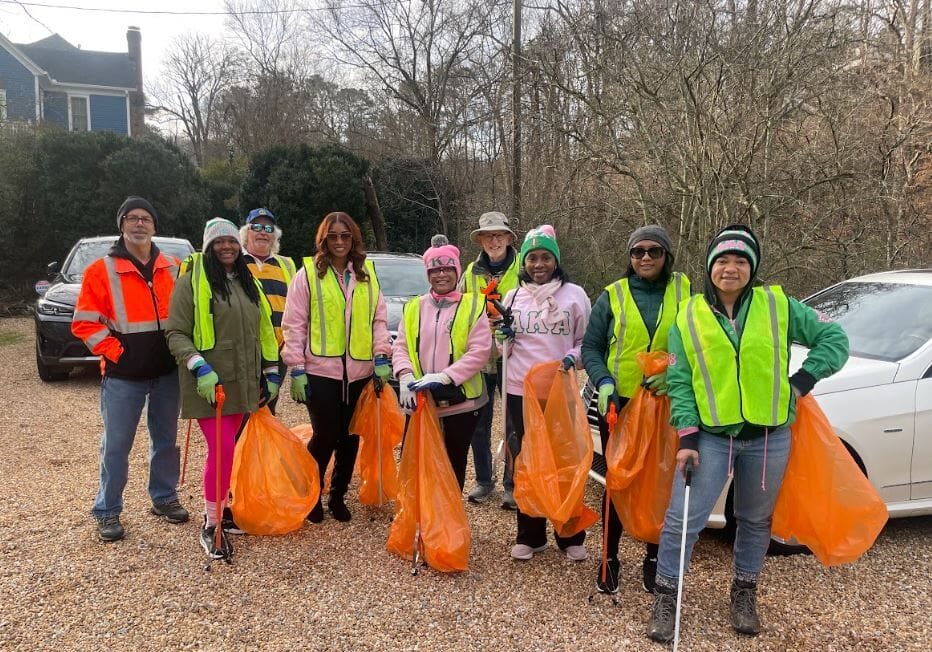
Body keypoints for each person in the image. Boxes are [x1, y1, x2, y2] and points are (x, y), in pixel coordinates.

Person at [646, 225, 848, 642]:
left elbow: (834, 338)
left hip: (769, 437)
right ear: (709, 266)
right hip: (713, 437)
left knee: (755, 520)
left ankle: (744, 590)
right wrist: (686, 438)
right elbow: (681, 381)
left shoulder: (779, 306)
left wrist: (802, 381)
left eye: (741, 260)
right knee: (684, 519)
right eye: (722, 260)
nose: (731, 268)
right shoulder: (689, 316)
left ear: (752, 267)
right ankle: (667, 595)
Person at [581, 225, 691, 594]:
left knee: (660, 482)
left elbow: (701, 344)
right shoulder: (612, 294)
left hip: (666, 403)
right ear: (629, 257)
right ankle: (609, 559)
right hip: (618, 404)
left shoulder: (687, 293)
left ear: (667, 256)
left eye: (654, 252)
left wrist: (675, 373)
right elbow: (591, 347)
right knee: (617, 481)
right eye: (638, 252)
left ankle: (654, 558)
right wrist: (604, 382)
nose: (645, 258)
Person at [72, 196, 189, 542]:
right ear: (121, 224)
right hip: (124, 377)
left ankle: (164, 498)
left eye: (146, 219)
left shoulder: (172, 267)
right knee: (116, 446)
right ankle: (107, 511)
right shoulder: (101, 270)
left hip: (167, 374)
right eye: (132, 218)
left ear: (154, 226)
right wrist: (117, 353)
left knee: (166, 441)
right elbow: (85, 324)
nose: (140, 224)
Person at [165, 218, 279, 560]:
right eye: (219, 242)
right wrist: (197, 365)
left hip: (243, 382)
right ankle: (211, 522)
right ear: (208, 246)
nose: (226, 247)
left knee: (229, 449)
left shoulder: (246, 282)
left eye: (231, 241)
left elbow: (264, 330)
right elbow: (175, 333)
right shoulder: (190, 283)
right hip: (211, 384)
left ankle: (223, 509)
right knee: (223, 449)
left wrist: (271, 372)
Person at [281, 211, 391, 523]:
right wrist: (297, 369)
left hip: (359, 372)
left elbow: (378, 320)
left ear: (354, 239)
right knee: (325, 435)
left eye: (346, 236)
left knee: (350, 436)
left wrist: (381, 357)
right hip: (320, 372)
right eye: (333, 236)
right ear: (324, 240)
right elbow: (294, 324)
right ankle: (311, 495)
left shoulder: (367, 274)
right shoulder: (307, 274)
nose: (340, 242)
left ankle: (338, 496)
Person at [496, 225, 593, 561]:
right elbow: (502, 348)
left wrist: (573, 357)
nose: (539, 264)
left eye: (545, 257)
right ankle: (530, 533)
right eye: (532, 258)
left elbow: (586, 343)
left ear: (556, 260)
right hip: (520, 390)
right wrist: (503, 337)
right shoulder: (512, 296)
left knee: (564, 459)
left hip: (559, 390)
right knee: (526, 461)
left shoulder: (575, 295)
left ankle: (569, 534)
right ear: (524, 261)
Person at [393, 235, 493, 490]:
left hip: (462, 402)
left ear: (456, 271)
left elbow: (479, 351)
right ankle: (421, 519)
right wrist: (404, 375)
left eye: (447, 268)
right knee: (416, 462)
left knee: (452, 464)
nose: (441, 275)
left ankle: (448, 523)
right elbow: (402, 346)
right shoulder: (414, 307)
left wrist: (445, 376)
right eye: (434, 270)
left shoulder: (473, 305)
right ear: (428, 274)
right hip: (421, 401)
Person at [459, 211, 521, 509]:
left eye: (500, 235)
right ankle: (484, 479)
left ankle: (513, 483)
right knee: (479, 422)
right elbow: (459, 310)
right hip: (480, 357)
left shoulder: (525, 265)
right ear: (481, 240)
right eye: (488, 236)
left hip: (515, 354)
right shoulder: (470, 273)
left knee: (513, 423)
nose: (494, 241)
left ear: (509, 238)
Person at [239, 207, 298, 416]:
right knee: (243, 410)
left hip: (277, 350)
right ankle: (241, 449)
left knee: (268, 407)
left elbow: (296, 306)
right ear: (247, 232)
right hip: (246, 350)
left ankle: (263, 449)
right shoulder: (235, 262)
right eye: (257, 226)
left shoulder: (286, 264)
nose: (263, 232)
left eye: (268, 228)